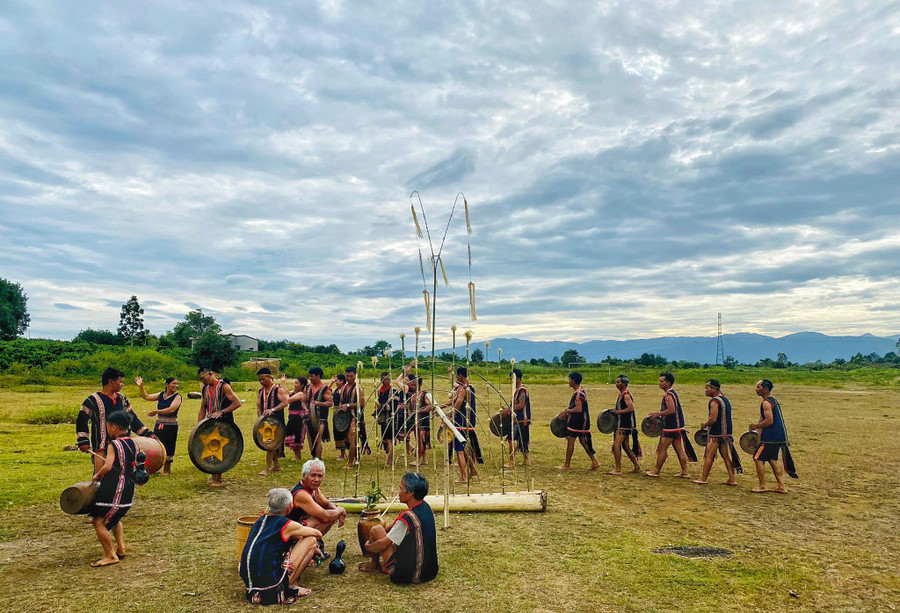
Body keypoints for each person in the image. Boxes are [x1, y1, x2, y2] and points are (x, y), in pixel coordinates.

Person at [240, 488, 322, 603]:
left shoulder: (260, 520)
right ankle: (290, 586)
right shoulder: (286, 524)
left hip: (251, 586)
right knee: (311, 540)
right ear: (288, 507)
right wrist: (315, 548)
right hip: (272, 586)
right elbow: (317, 534)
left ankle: (281, 585)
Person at [360, 472, 439, 584]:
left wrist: (367, 546)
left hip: (407, 575)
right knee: (379, 530)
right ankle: (376, 564)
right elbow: (394, 528)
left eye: (400, 488)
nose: (398, 492)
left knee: (376, 530)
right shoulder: (425, 507)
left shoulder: (408, 518)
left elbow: (383, 544)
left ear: (410, 493)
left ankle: (374, 565)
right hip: (430, 571)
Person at [87, 410, 142, 567]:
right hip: (129, 490)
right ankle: (121, 548)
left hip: (115, 488)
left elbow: (108, 465)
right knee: (115, 517)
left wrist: (97, 475)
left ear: (113, 427)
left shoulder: (114, 444)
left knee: (99, 521)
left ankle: (110, 555)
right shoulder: (134, 443)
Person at [76, 367, 153, 474]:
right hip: (102, 447)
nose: (122, 385)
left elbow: (132, 419)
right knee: (101, 479)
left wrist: (148, 434)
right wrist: (83, 441)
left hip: (123, 445)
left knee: (123, 475)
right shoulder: (92, 400)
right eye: (120, 382)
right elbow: (81, 420)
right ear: (111, 381)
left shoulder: (122, 399)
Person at [289, 458, 347, 557]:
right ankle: (304, 548)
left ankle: (311, 547)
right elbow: (325, 516)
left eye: (320, 476)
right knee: (323, 517)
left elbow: (327, 504)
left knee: (330, 516)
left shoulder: (314, 489)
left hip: (300, 526)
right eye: (313, 475)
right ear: (304, 476)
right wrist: (340, 510)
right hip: (291, 533)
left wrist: (339, 513)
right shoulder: (301, 494)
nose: (317, 480)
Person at [749, 379, 798, 493]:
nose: (756, 389)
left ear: (765, 389)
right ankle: (781, 486)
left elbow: (769, 421)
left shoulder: (766, 403)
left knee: (757, 458)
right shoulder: (773, 401)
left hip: (770, 437)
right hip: (778, 436)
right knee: (772, 459)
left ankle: (762, 486)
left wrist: (755, 426)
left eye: (759, 387)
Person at [646, 372, 697, 478]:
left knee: (662, 449)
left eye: (662, 381)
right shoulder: (672, 393)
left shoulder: (669, 395)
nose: (660, 383)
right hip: (677, 427)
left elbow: (671, 410)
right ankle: (684, 472)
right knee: (679, 449)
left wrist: (658, 414)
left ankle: (656, 471)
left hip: (671, 427)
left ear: (668, 383)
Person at [198, 367, 242, 486]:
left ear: (211, 374)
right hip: (210, 423)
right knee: (210, 448)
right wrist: (199, 424)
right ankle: (214, 476)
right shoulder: (205, 388)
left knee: (220, 449)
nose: (203, 381)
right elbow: (203, 407)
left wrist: (222, 412)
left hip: (224, 423)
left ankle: (219, 478)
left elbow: (237, 403)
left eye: (204, 378)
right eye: (201, 379)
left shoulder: (224, 387)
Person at [694, 379, 742, 486]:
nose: (705, 390)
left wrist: (705, 424)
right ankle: (732, 478)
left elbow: (713, 419)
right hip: (726, 433)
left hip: (716, 433)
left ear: (714, 389)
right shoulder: (725, 399)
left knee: (709, 455)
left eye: (707, 388)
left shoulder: (714, 401)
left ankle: (704, 478)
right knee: (726, 457)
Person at [134, 375, 182, 476]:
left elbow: (172, 409)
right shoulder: (161, 395)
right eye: (174, 383)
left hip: (171, 424)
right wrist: (141, 386)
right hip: (159, 423)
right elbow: (146, 397)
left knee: (169, 445)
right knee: (156, 444)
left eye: (177, 384)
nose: (176, 386)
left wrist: (157, 411)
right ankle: (155, 466)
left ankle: (167, 470)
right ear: (167, 385)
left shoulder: (178, 397)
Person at [442, 367, 483, 483]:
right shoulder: (470, 388)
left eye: (457, 376)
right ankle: (473, 470)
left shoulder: (464, 389)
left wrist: (448, 416)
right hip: (469, 422)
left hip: (461, 423)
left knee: (459, 449)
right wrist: (442, 407)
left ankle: (464, 477)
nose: (456, 378)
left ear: (461, 376)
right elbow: (454, 400)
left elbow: (458, 404)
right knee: (463, 447)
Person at [557, 372, 601, 470]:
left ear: (573, 380)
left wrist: (567, 411)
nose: (569, 381)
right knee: (583, 441)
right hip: (583, 421)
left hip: (578, 421)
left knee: (571, 441)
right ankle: (594, 462)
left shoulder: (578, 394)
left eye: (569, 379)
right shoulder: (581, 391)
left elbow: (578, 409)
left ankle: (567, 464)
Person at [256, 368, 288, 476]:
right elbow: (259, 406)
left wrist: (273, 410)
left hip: (276, 421)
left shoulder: (277, 389)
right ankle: (277, 466)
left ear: (269, 377)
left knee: (271, 444)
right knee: (270, 444)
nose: (261, 382)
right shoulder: (260, 391)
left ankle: (267, 468)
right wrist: (260, 418)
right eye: (260, 380)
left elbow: (285, 402)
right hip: (265, 422)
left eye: (263, 379)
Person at [609, 374, 642, 475]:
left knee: (616, 445)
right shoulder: (621, 394)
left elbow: (631, 408)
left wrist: (618, 412)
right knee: (626, 446)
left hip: (624, 424)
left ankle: (618, 469)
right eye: (616, 382)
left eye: (618, 382)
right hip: (623, 423)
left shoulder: (626, 395)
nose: (617, 384)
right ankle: (637, 467)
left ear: (624, 384)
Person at [340, 366, 370, 469]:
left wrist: (348, 405)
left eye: (351, 376)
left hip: (355, 417)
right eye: (347, 376)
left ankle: (350, 463)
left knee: (352, 439)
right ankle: (357, 459)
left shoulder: (359, 388)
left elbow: (362, 403)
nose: (349, 378)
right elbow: (341, 401)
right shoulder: (343, 387)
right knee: (350, 439)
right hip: (346, 417)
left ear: (355, 376)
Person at [503, 369, 532, 468]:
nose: (511, 381)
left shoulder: (522, 390)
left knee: (512, 439)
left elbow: (521, 405)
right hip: (519, 419)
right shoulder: (516, 391)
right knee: (522, 440)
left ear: (518, 379)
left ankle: (511, 461)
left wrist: (509, 409)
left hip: (521, 419)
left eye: (512, 379)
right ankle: (527, 460)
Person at [374, 372, 399, 467]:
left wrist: (384, 407)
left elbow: (395, 405)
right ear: (381, 380)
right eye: (385, 379)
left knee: (389, 440)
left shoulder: (393, 391)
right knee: (385, 439)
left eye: (389, 379)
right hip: (384, 419)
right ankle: (389, 458)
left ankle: (390, 461)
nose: (388, 381)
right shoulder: (380, 391)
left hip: (391, 418)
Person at [306, 368, 332, 459]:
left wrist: (319, 403)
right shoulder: (308, 388)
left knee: (318, 439)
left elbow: (330, 403)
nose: (310, 378)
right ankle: (314, 457)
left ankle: (318, 459)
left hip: (321, 419)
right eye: (309, 376)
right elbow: (303, 401)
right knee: (310, 438)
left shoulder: (325, 389)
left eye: (312, 376)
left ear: (318, 376)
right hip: (309, 417)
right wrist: (306, 409)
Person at [407, 374, 433, 466]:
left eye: (414, 385)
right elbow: (410, 408)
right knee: (420, 440)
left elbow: (430, 406)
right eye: (412, 384)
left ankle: (419, 459)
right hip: (416, 422)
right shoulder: (413, 396)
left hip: (423, 422)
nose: (412, 386)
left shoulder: (424, 395)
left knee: (421, 441)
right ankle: (423, 459)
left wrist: (419, 411)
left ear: (419, 385)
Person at [284, 376, 310, 461]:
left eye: (297, 383)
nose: (295, 385)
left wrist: (287, 394)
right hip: (292, 416)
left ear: (302, 385)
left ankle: (298, 456)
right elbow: (285, 393)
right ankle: (296, 455)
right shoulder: (295, 392)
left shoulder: (301, 394)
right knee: (292, 436)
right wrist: (283, 382)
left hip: (298, 417)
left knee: (297, 436)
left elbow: (288, 399)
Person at [331, 374, 348, 459]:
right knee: (337, 433)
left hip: (341, 414)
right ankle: (343, 453)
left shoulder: (344, 389)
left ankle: (343, 454)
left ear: (342, 381)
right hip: (335, 413)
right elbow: (327, 391)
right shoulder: (336, 389)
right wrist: (331, 383)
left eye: (337, 380)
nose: (335, 382)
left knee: (341, 433)